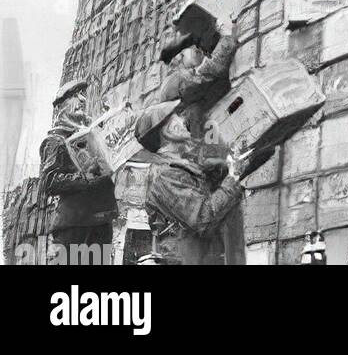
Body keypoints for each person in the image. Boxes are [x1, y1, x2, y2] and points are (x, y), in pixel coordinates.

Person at [134, 101, 249, 266]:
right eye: (177, 118)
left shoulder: (178, 164)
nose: (183, 122)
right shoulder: (165, 175)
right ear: (171, 130)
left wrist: (229, 164)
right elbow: (203, 217)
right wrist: (233, 177)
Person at [39, 79, 116, 264]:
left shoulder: (93, 134)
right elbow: (49, 181)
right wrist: (84, 177)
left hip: (101, 221)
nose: (82, 100)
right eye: (75, 96)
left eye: (82, 95)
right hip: (74, 225)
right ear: (62, 106)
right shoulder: (56, 141)